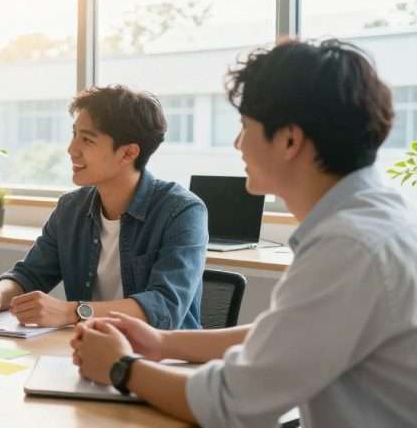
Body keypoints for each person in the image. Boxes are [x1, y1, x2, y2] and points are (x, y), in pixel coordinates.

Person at [73, 39, 417, 427]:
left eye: (245, 127)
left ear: (289, 140)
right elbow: (285, 335)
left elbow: (229, 404)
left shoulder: (349, 247)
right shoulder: (373, 219)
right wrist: (162, 343)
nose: (238, 144)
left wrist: (121, 368)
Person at [0, 86, 207, 330]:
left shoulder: (182, 211)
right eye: (74, 135)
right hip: (87, 350)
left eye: (87, 139)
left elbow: (164, 306)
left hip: (161, 358)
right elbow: (30, 274)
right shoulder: (71, 208)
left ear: (128, 153)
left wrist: (72, 312)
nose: (72, 149)